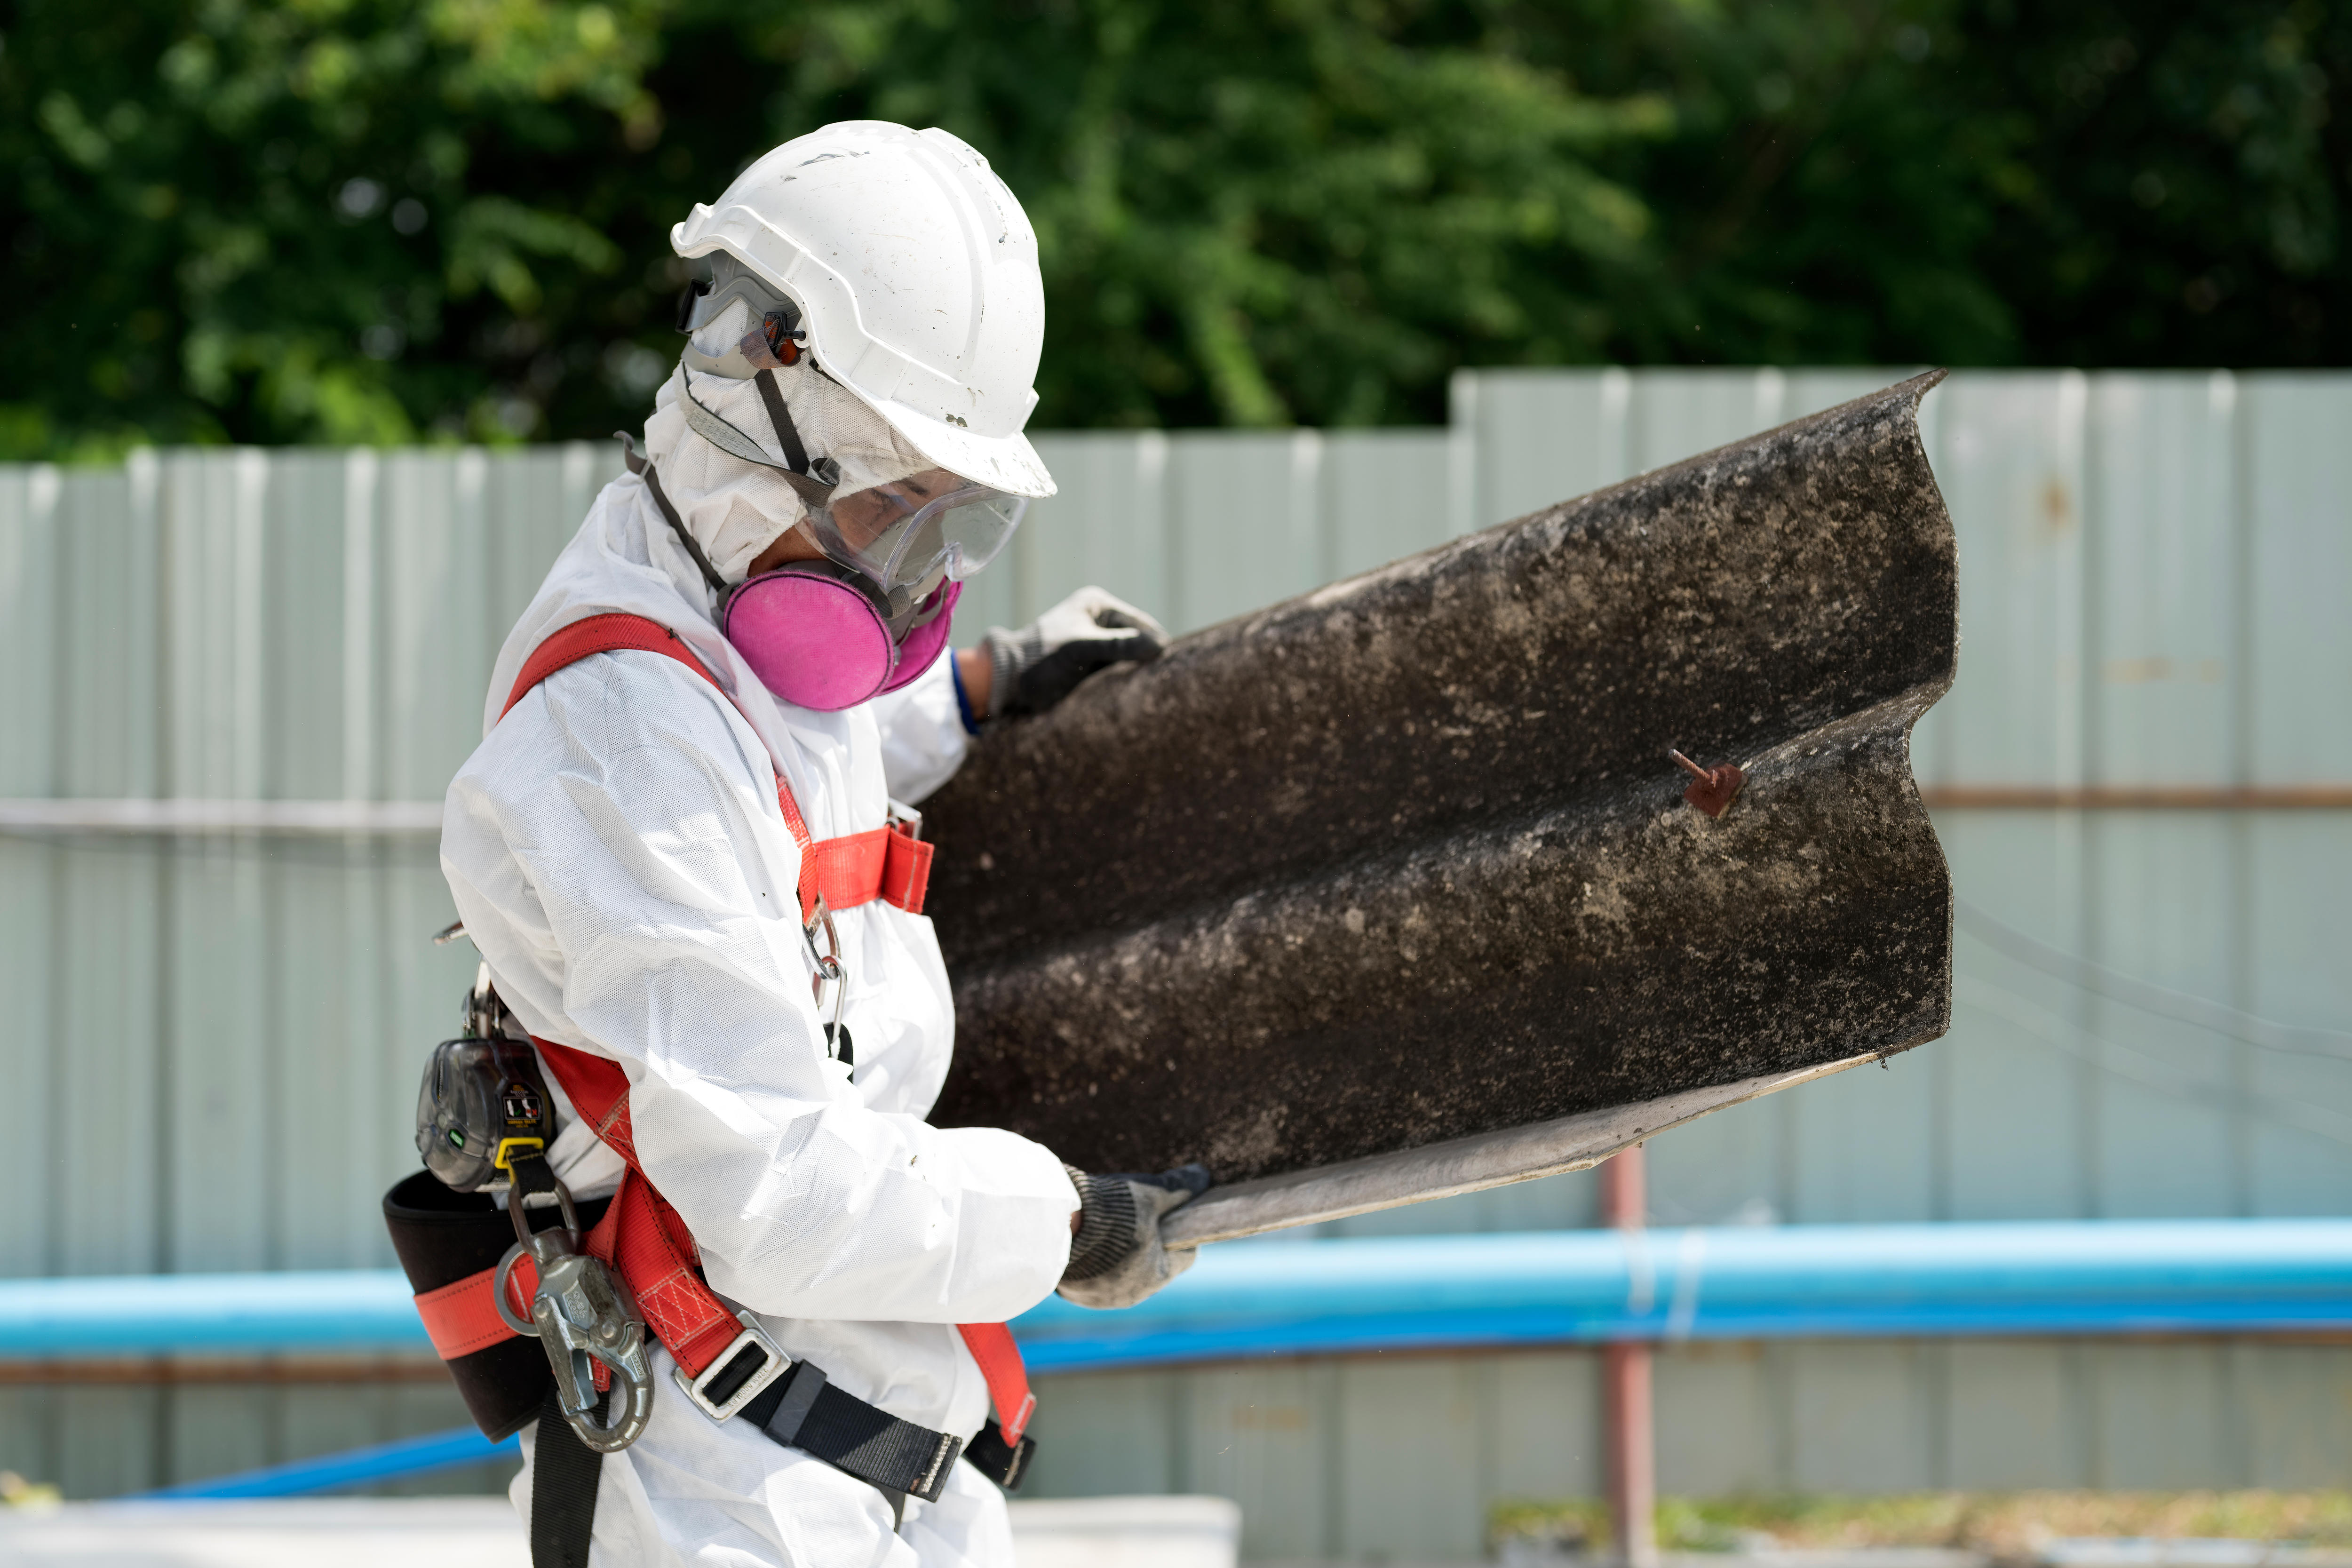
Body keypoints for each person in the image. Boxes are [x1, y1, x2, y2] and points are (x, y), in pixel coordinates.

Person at [438, 120, 1207, 1568]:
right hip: (725, 1483)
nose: (903, 575)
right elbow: (777, 1201)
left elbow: (784, 784)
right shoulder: (623, 735)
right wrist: (1067, 1223)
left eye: (944, 522)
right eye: (885, 503)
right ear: (755, 392)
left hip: (860, 1440)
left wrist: (974, 696)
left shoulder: (724, 610)